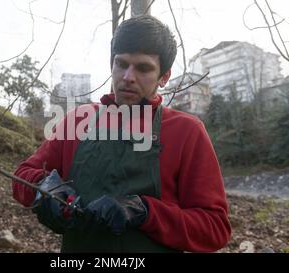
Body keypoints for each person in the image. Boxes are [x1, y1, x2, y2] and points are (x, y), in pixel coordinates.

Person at [12, 15, 231, 253]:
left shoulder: (186, 131)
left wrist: (145, 211)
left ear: (164, 76)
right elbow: (21, 176)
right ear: (111, 64)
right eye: (121, 64)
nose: (128, 77)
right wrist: (44, 188)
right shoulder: (78, 120)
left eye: (143, 68)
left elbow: (214, 228)